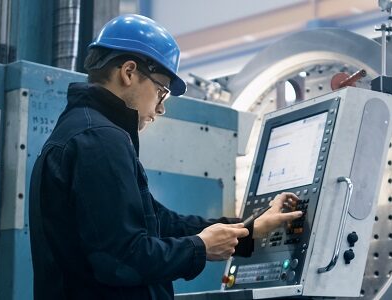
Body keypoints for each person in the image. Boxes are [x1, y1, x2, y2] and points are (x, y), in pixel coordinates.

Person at [28, 14, 302, 299]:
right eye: (161, 92)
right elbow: (122, 259)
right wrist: (200, 247)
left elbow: (164, 223)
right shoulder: (99, 140)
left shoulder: (84, 131)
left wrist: (250, 228)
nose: (160, 109)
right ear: (129, 72)